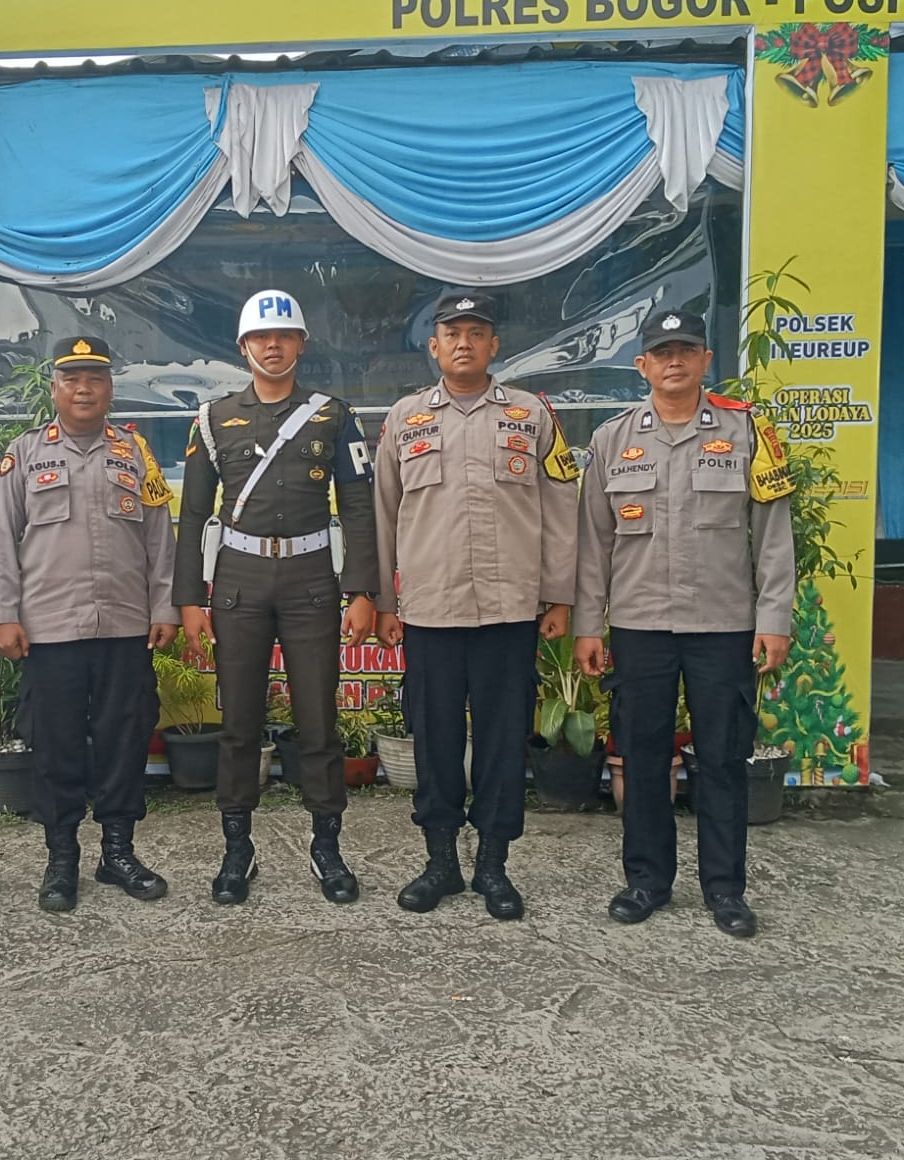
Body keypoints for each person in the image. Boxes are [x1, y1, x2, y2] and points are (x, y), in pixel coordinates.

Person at [574, 308, 795, 938]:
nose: (675, 361)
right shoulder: (611, 440)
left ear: (706, 360)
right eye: (662, 352)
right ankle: (646, 881)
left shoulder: (748, 433)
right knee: (643, 758)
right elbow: (592, 543)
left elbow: (772, 535)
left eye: (686, 350)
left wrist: (774, 618)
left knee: (722, 759)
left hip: (722, 624)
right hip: (640, 624)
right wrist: (588, 624)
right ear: (641, 365)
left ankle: (725, 889)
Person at [374, 291, 580, 921]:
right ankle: (441, 862)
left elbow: (561, 507)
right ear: (433, 346)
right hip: (430, 610)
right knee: (434, 740)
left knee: (501, 741)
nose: (463, 343)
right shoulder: (404, 419)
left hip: (509, 610)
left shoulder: (532, 414)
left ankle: (493, 864)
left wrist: (560, 596)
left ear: (494, 345)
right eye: (452, 332)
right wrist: (385, 600)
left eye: (476, 333)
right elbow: (382, 515)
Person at [175, 289, 379, 906]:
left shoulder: (333, 416)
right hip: (238, 579)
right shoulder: (212, 418)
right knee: (238, 722)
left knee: (318, 719)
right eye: (261, 337)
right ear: (243, 347)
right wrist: (190, 599)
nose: (272, 345)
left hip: (311, 578)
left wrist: (362, 590)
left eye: (284, 335)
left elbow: (359, 506)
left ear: (300, 344)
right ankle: (238, 848)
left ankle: (327, 846)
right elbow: (193, 514)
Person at [0, 336, 179, 912]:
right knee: (55, 747)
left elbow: (159, 537)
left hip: (124, 625)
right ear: (55, 388)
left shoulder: (135, 453)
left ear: (110, 388)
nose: (84, 388)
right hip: (49, 630)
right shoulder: (25, 454)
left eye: (95, 378)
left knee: (125, 740)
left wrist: (164, 606)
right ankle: (61, 857)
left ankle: (118, 852)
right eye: (72, 378)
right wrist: (1, 615)